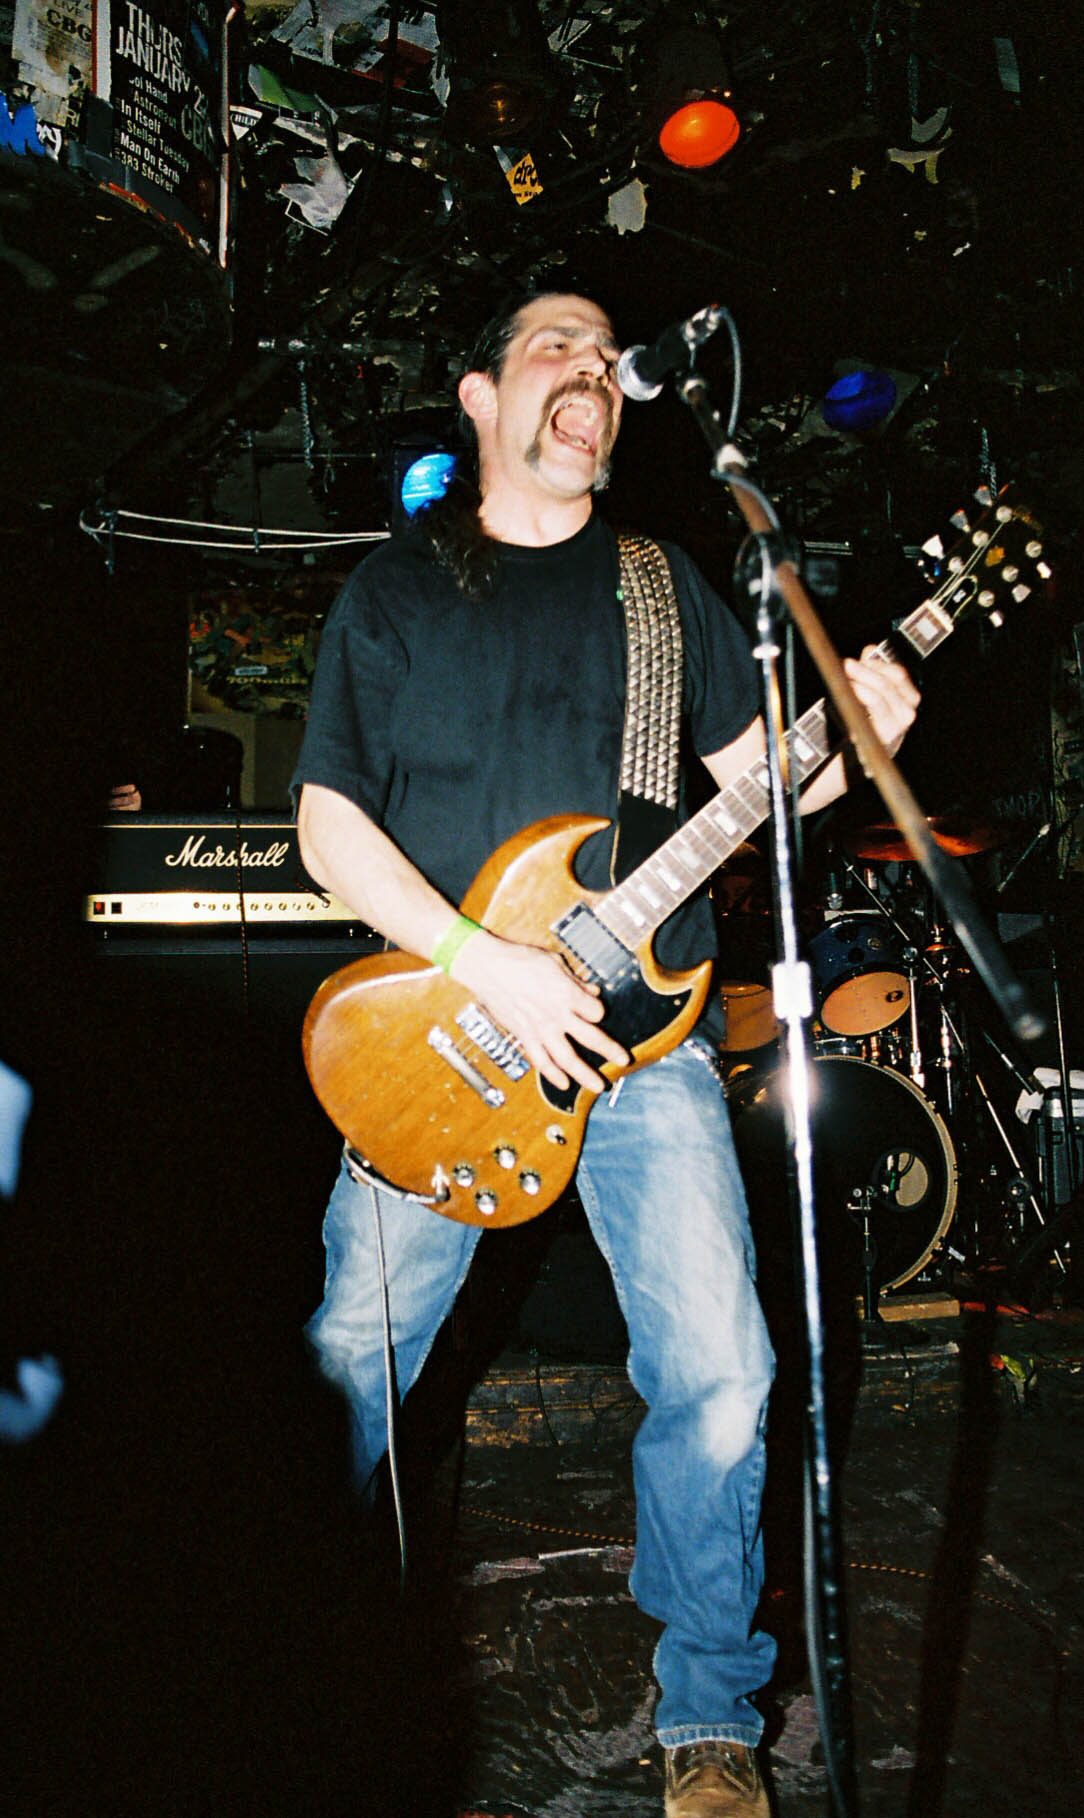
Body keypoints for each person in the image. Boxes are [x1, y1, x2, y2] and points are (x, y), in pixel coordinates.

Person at [290, 291, 919, 1817]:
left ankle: (707, 1709)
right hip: (446, 1041)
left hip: (646, 1045)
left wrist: (854, 735)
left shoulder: (662, 586)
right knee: (345, 1363)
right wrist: (484, 962)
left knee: (724, 1366)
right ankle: (277, 1653)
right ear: (480, 394)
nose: (593, 368)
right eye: (555, 345)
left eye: (605, 354)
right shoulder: (396, 590)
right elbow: (327, 825)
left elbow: (760, 789)